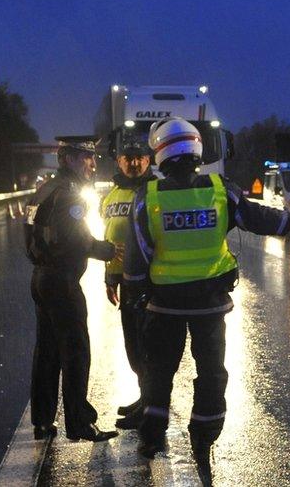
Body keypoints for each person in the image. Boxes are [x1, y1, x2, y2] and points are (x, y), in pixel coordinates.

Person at [123, 117, 290, 461]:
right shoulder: (221, 190)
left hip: (165, 306)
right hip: (209, 304)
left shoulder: (147, 197)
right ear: (196, 148)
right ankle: (204, 436)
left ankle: (151, 436)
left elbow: (136, 258)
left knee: (158, 373)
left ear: (160, 153)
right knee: (211, 372)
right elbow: (264, 220)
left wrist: (135, 296)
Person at [23, 135, 119, 442]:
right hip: (62, 282)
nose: (92, 164)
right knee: (76, 352)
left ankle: (42, 421)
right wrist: (103, 249)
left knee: (47, 352)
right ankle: (79, 423)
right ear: (68, 159)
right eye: (85, 158)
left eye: (92, 157)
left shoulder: (45, 189)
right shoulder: (69, 193)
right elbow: (73, 237)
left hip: (41, 278)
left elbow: (33, 236)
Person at [101, 135, 156, 430]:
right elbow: (111, 235)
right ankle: (143, 396)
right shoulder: (110, 196)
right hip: (123, 279)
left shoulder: (153, 191)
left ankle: (150, 407)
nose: (134, 163)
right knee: (132, 346)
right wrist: (110, 276)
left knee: (146, 347)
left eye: (140, 159)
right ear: (119, 162)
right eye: (128, 159)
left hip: (148, 281)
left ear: (149, 161)